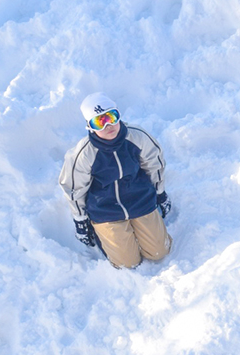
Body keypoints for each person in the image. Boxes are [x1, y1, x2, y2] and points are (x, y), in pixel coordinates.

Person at [59, 92, 173, 269]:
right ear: (90, 127)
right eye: (99, 122)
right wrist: (80, 219)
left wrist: (160, 193)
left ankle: (141, 226)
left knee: (159, 252)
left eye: (111, 117)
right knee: (128, 263)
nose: (108, 125)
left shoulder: (137, 137)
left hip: (139, 199)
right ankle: (102, 234)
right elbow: (73, 188)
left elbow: (154, 164)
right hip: (106, 209)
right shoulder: (84, 154)